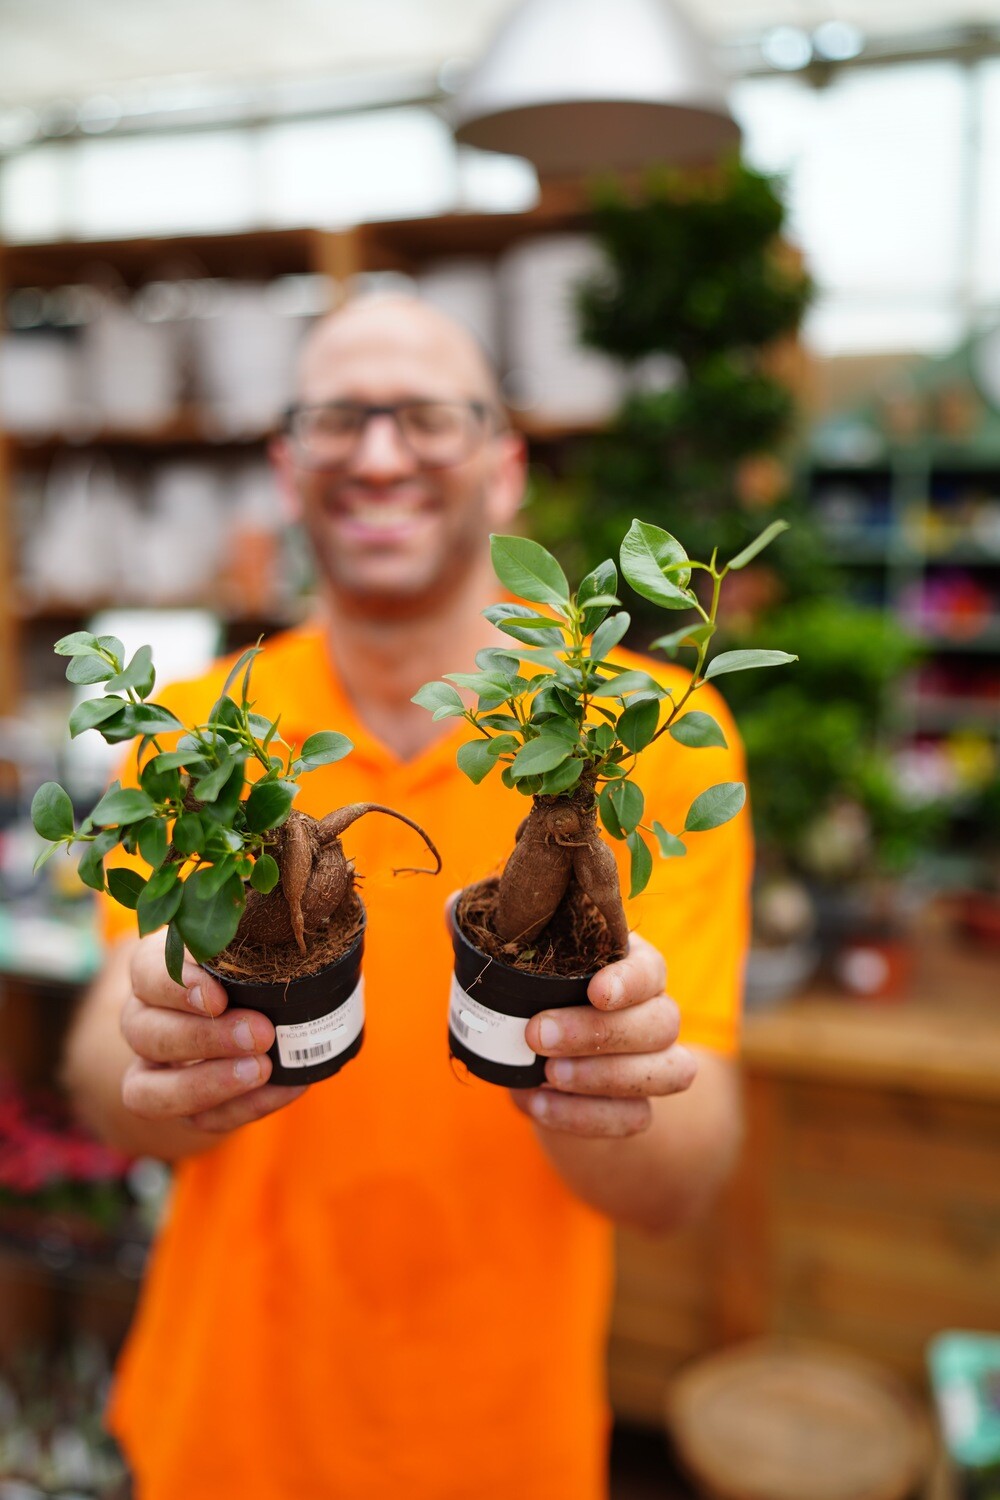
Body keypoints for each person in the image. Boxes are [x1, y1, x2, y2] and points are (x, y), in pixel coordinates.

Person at [63, 294, 750, 1500]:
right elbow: (105, 1081)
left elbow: (681, 1177)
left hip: (500, 1444)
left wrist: (601, 1065)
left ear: (506, 466)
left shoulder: (660, 733)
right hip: (217, 1429)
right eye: (339, 420)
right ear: (287, 467)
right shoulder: (187, 735)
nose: (380, 454)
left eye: (427, 417)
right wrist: (159, 1054)